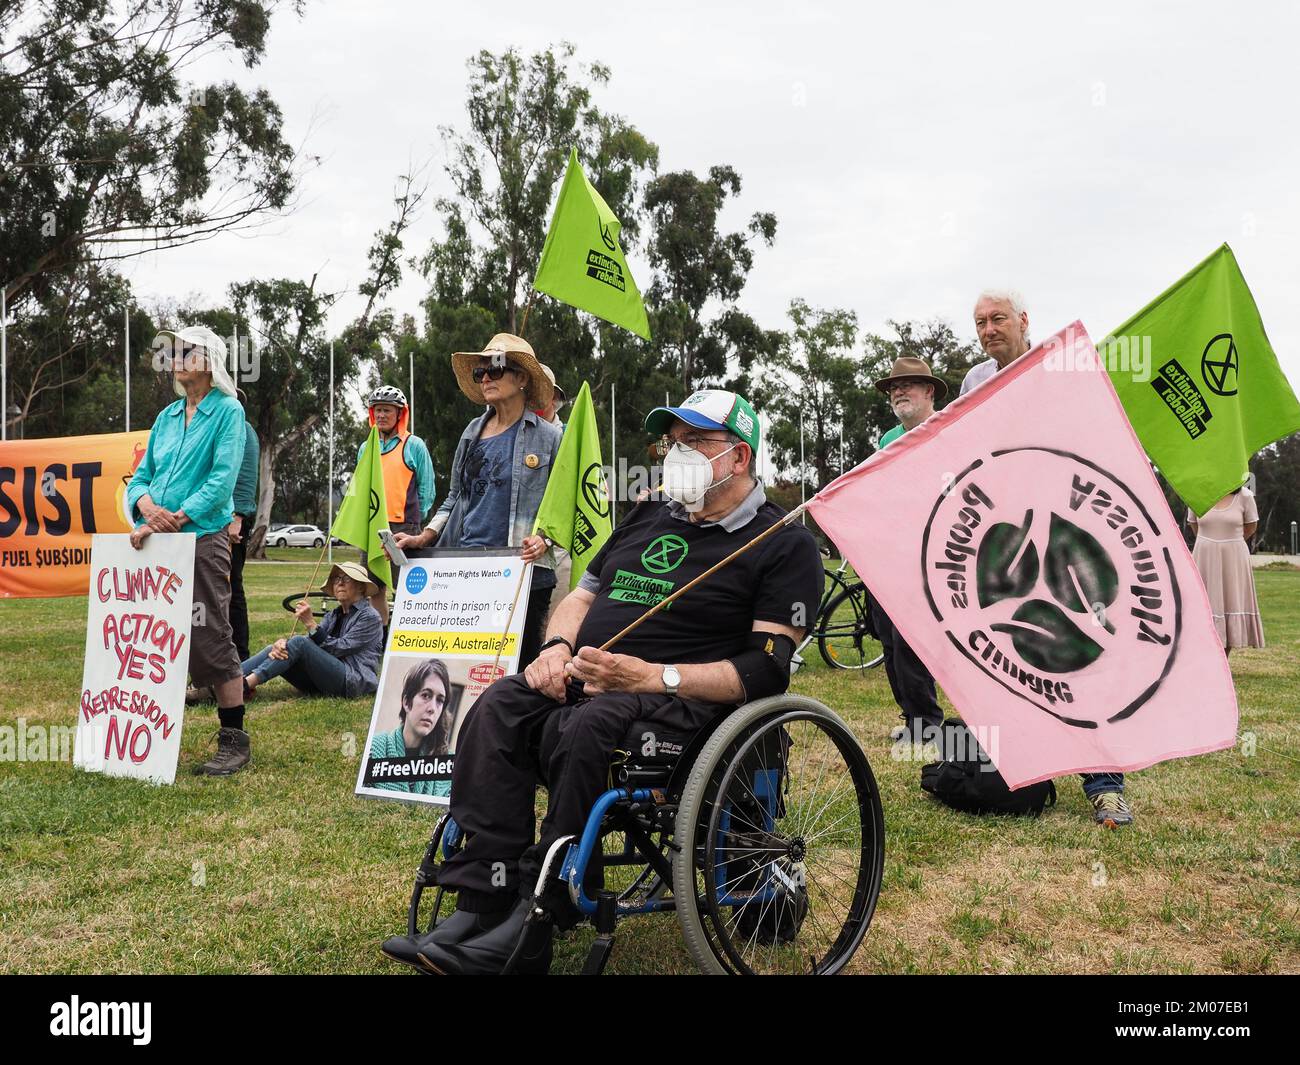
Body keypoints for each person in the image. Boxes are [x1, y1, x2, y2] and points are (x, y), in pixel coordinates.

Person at [380, 388, 823, 976]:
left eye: (696, 442)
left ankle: (540, 915)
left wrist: (652, 676)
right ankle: (481, 899)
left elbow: (765, 669)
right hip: (590, 678)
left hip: (681, 705)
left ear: (738, 458)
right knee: (498, 705)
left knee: (590, 725)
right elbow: (581, 597)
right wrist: (557, 647)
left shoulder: (782, 542)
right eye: (674, 441)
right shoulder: (648, 512)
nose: (677, 453)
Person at [964, 290, 1131, 827]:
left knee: (1084, 651)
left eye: (998, 319)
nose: (989, 329)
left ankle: (1105, 784)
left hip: (1067, 528)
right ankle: (1025, 771)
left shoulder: (1061, 366)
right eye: (980, 322)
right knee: (1009, 648)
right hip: (1002, 532)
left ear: (1023, 320)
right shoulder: (973, 382)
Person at [393, 334, 561, 668]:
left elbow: (564, 505)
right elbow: (455, 496)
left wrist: (545, 539)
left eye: (495, 368)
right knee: (466, 666)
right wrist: (426, 535)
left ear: (522, 378)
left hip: (524, 573)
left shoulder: (551, 437)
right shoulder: (471, 431)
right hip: (468, 569)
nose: (485, 378)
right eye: (479, 373)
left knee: (518, 671)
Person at [127, 326, 249, 775]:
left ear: (211, 360)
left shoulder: (228, 412)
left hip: (201, 539)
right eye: (173, 351)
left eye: (185, 351)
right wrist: (144, 508)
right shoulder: (166, 418)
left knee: (208, 633)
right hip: (156, 540)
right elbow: (140, 476)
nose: (175, 358)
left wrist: (174, 518)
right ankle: (146, 736)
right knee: (150, 636)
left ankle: (234, 739)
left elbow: (222, 481)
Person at [870, 357, 946, 743]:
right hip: (890, 553)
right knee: (886, 636)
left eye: (907, 385)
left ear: (929, 391)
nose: (898, 392)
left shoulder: (949, 428)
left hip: (934, 553)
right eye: (893, 388)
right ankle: (913, 716)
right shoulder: (887, 440)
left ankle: (927, 723)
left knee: (909, 640)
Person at [241, 562, 383, 698]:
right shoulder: (334, 614)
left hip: (353, 682)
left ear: (361, 587)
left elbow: (339, 648)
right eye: (337, 579)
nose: (340, 583)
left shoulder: (370, 616)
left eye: (347, 578)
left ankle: (244, 687)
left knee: (298, 642)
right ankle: (227, 681)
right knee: (274, 649)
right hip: (324, 681)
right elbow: (311, 647)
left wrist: (310, 623)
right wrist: (284, 644)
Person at [358, 385, 435, 622]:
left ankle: (406, 634)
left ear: (400, 414)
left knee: (406, 586)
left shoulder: (414, 445)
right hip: (372, 528)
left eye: (387, 411)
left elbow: (427, 488)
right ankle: (380, 636)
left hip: (404, 527)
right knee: (373, 586)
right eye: (377, 410)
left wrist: (415, 520)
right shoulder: (365, 448)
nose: (381, 415)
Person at [1188, 488, 1265, 653]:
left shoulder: (1245, 496)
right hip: (1204, 556)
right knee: (1203, 604)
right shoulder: (1195, 493)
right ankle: (1204, 657)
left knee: (1231, 602)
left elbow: (1251, 527)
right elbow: (1193, 524)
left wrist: (1229, 542)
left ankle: (1223, 659)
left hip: (1234, 557)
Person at [368, 658, 456, 797]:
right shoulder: (374, 749)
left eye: (440, 700)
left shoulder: (449, 764)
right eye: (426, 695)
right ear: (407, 702)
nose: (432, 708)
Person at [228, 389, 260, 661]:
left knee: (231, 589)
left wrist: (237, 517)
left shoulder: (243, 430)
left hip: (231, 522)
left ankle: (240, 660)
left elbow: (247, 475)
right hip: (211, 520)